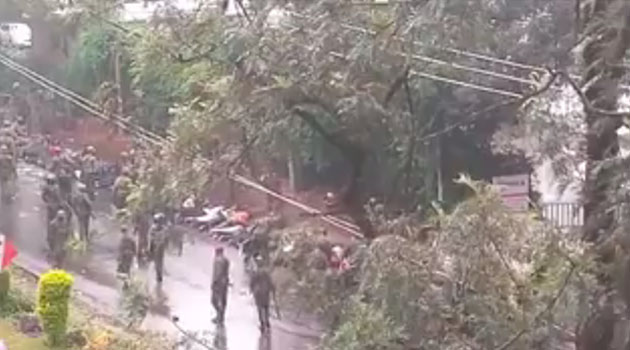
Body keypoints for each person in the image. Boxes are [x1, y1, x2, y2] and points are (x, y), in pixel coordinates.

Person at [249, 260, 276, 332]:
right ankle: (267, 322)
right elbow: (270, 281)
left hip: (258, 292)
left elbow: (252, 282)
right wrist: (272, 289)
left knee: (260, 308)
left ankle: (262, 323)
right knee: (266, 307)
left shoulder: (256, 273)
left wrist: (251, 290)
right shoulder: (266, 273)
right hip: (265, 291)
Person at [211, 247, 230, 324]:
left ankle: (219, 315)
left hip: (218, 283)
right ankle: (221, 316)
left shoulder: (218, 261)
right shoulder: (226, 260)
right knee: (223, 300)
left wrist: (214, 282)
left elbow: (217, 272)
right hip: (225, 282)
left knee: (214, 300)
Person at [149, 213, 169, 284]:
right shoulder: (154, 228)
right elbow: (151, 239)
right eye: (158, 221)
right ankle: (158, 274)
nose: (159, 223)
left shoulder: (163, 229)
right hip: (157, 246)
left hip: (160, 246)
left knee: (159, 261)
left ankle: (159, 275)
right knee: (157, 261)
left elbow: (166, 238)